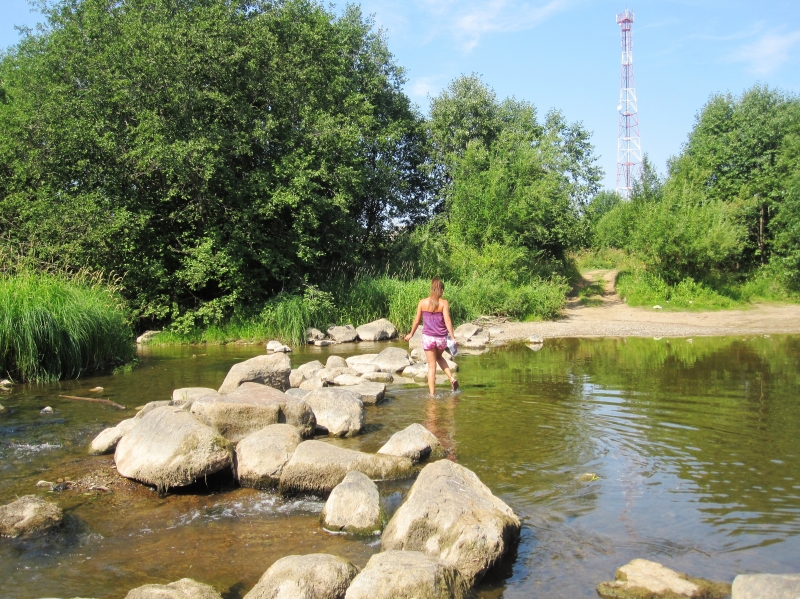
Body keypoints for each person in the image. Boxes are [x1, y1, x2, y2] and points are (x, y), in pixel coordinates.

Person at [404, 278, 459, 396]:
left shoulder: (422, 302)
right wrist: (453, 338)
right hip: (441, 339)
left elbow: (416, 321)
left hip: (428, 338)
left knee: (431, 366)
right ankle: (451, 378)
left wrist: (411, 334)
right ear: (441, 290)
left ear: (432, 289)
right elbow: (448, 320)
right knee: (439, 358)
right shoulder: (444, 303)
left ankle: (432, 395)